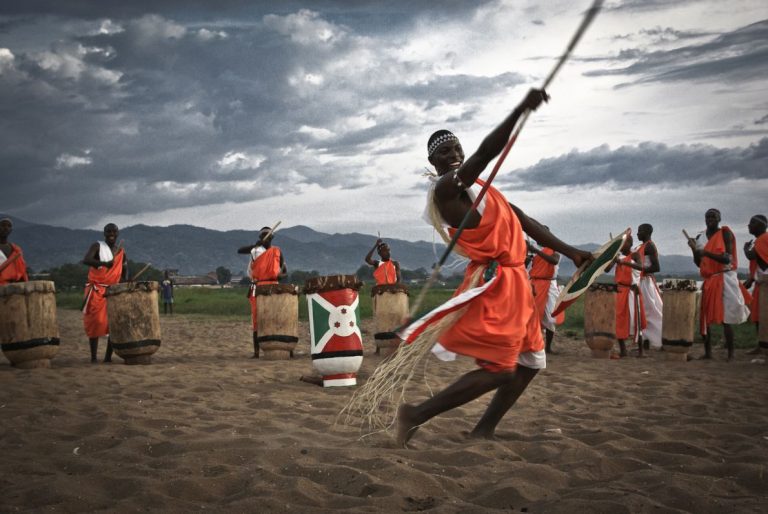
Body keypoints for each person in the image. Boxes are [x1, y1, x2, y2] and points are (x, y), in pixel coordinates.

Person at [396, 89, 593, 447]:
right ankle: (416, 414)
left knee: (531, 362)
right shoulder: (446, 190)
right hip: (499, 284)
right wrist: (520, 110)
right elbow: (486, 154)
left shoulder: (484, 191)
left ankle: (484, 429)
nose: (454, 154)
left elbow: (524, 220)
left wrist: (571, 251)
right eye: (445, 151)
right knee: (501, 368)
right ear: (433, 162)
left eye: (457, 148)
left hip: (518, 283)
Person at [688, 209, 750, 361]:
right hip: (710, 279)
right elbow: (698, 263)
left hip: (725, 278)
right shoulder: (699, 237)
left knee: (726, 317)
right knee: (706, 317)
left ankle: (731, 354)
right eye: (708, 216)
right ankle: (708, 352)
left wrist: (706, 253)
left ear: (719, 218)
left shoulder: (725, 233)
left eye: (713, 216)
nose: (710, 219)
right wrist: (694, 249)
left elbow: (727, 259)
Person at [237, 226, 287, 358]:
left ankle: (283, 348)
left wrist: (276, 276)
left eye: (267, 235)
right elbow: (240, 250)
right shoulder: (255, 251)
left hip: (274, 286)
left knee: (276, 317)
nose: (264, 238)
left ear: (271, 237)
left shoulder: (277, 251)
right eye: (262, 236)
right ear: (260, 238)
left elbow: (285, 271)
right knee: (257, 319)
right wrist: (255, 245)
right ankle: (256, 352)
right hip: (258, 286)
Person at [82, 223, 127, 363]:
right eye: (108, 231)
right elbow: (86, 260)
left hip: (112, 290)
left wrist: (125, 281)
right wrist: (104, 263)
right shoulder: (97, 246)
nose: (111, 233)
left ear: (118, 233)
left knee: (112, 325)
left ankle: (108, 358)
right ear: (104, 233)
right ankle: (93, 357)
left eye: (114, 231)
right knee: (95, 322)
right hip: (96, 289)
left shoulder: (120, 251)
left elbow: (124, 268)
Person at [607, 235, 646, 357]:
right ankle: (623, 349)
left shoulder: (635, 255)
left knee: (637, 320)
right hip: (620, 291)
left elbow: (641, 267)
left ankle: (641, 350)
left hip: (632, 291)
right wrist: (613, 258)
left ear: (629, 243)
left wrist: (624, 262)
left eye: (623, 243)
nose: (621, 246)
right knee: (619, 320)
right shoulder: (617, 257)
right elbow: (607, 270)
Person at [527, 237, 565, 354]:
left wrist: (536, 251)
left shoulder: (555, 250)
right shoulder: (534, 251)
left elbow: (553, 261)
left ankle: (548, 347)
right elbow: (526, 266)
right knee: (533, 315)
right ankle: (533, 343)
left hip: (549, 285)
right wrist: (528, 256)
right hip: (534, 284)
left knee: (550, 317)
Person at [633, 224, 662, 350]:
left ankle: (661, 340)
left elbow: (656, 267)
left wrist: (641, 270)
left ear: (647, 232)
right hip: (640, 282)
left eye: (640, 231)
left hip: (647, 283)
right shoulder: (640, 246)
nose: (637, 233)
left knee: (653, 312)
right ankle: (644, 343)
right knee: (642, 313)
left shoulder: (650, 246)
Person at [743, 214, 768, 353]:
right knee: (758, 315)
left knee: (764, 315)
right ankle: (762, 344)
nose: (749, 225)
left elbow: (752, 256)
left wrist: (745, 249)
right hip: (761, 282)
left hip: (766, 283)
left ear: (761, 225)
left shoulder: (764, 238)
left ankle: (763, 344)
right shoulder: (761, 240)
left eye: (752, 223)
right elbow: (760, 262)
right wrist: (751, 279)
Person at [0, 218, 29, 285]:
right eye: (3, 225)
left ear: (11, 230)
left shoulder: (16, 249)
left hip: (14, 287)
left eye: (9, 226)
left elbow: (21, 271)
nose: (6, 228)